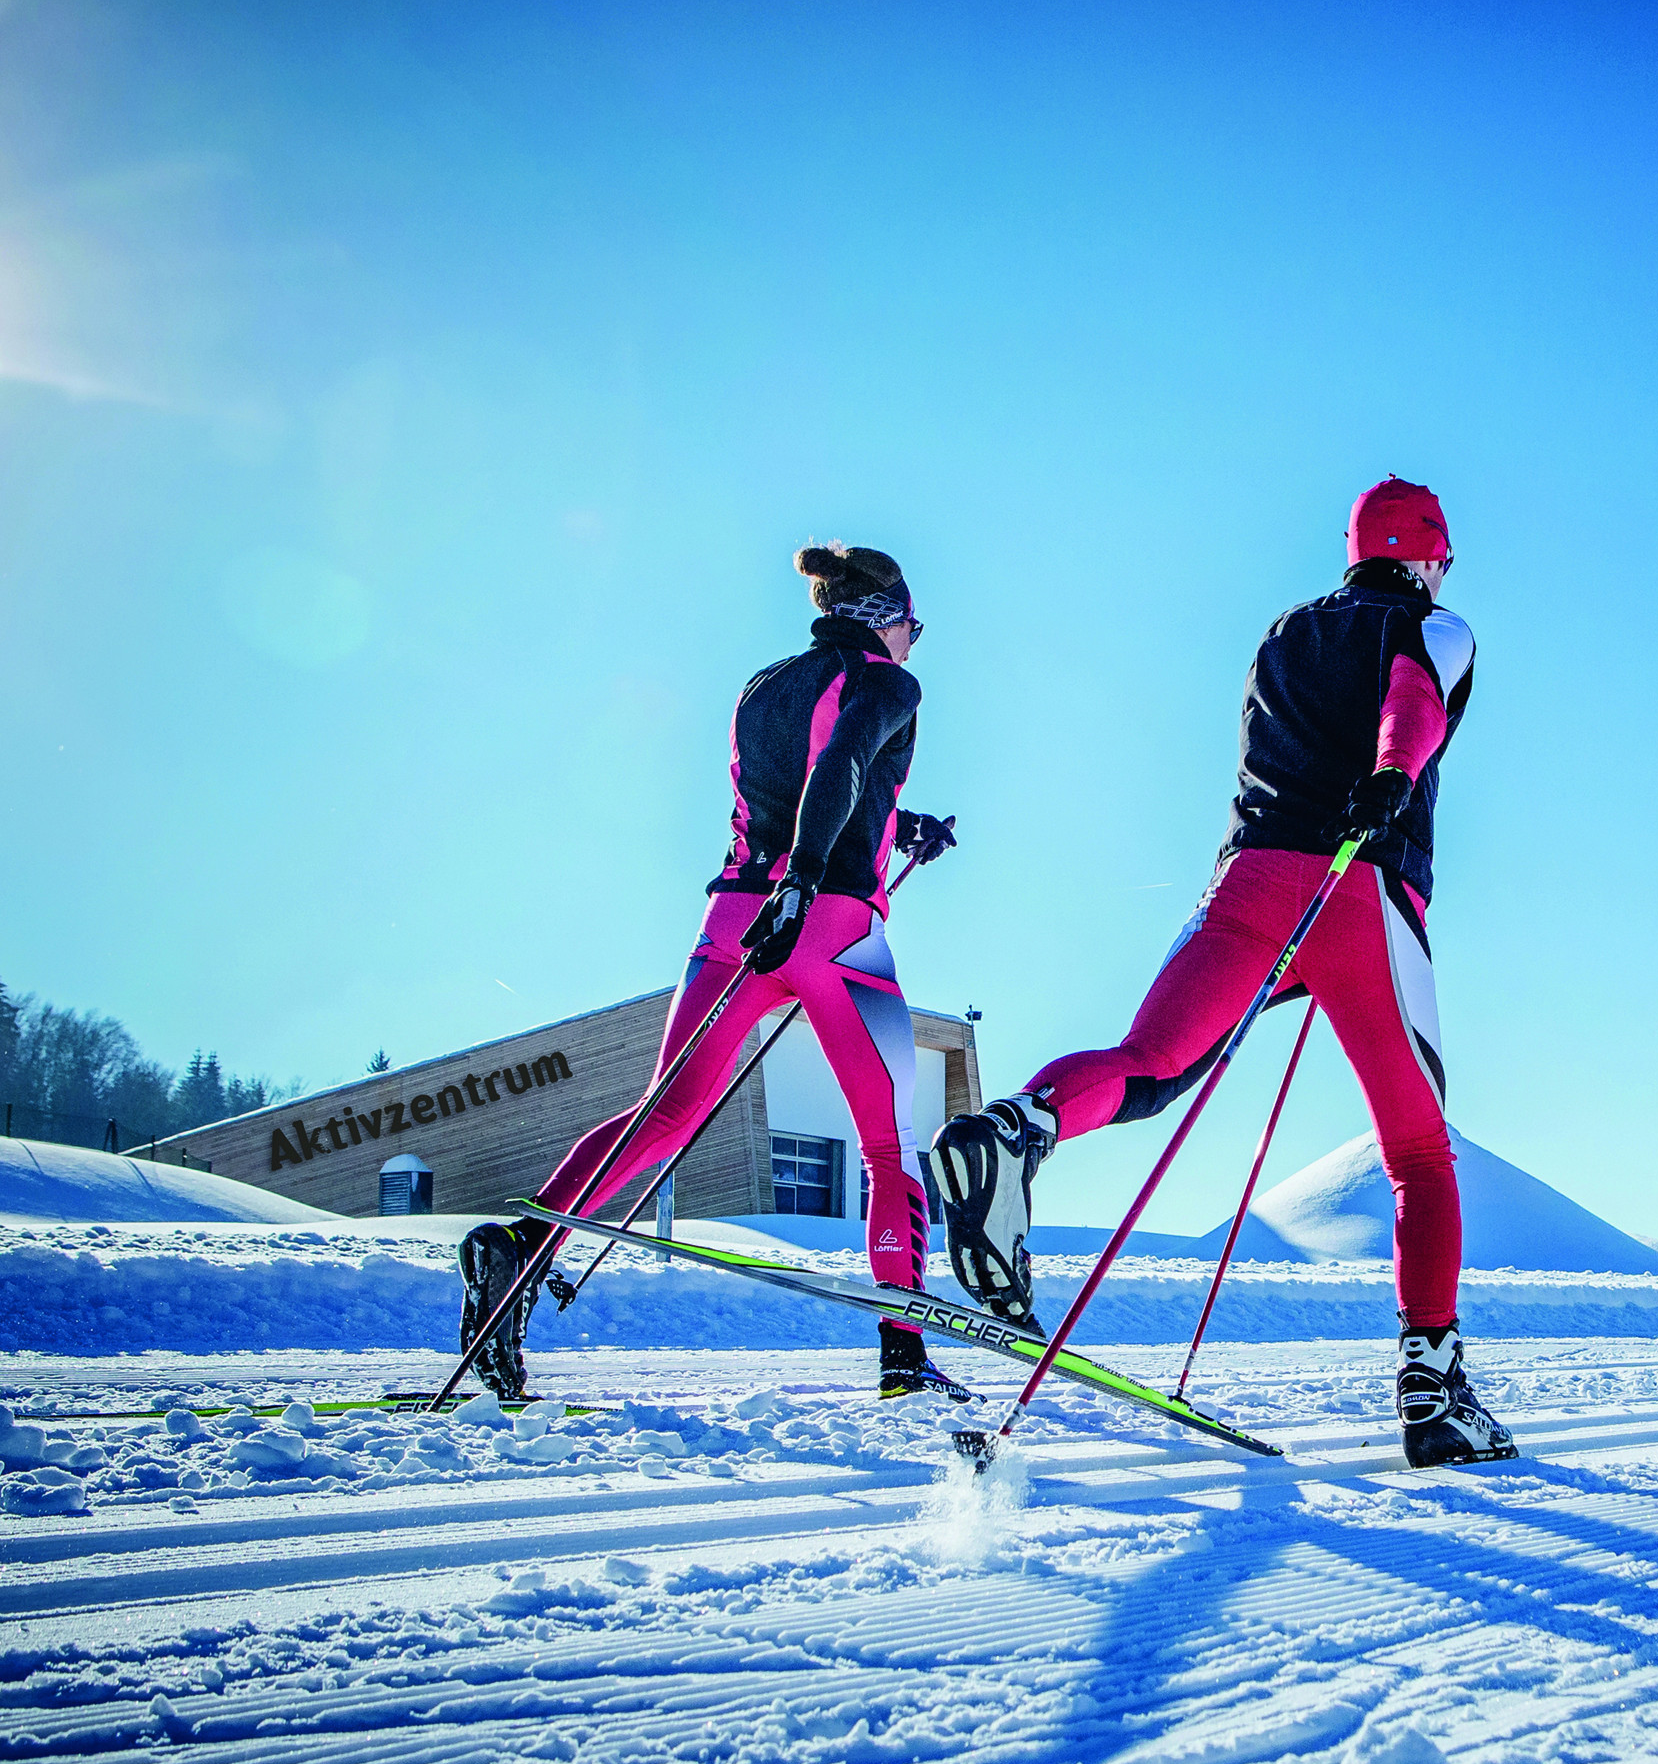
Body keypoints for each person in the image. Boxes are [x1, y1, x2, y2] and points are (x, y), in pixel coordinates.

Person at [928, 477, 1513, 1467]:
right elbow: (1412, 701)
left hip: (1247, 884)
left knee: (1150, 1064)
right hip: (1359, 890)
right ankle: (1435, 1391)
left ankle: (1014, 1132)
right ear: (1421, 555)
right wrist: (1389, 777)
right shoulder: (1435, 624)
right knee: (1418, 1151)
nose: (1445, 573)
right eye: (1443, 558)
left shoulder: (1282, 634)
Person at [458, 544, 960, 1401]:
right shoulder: (889, 683)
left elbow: (803, 784)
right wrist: (806, 880)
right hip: (829, 926)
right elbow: (839, 765)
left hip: (732, 923)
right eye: (915, 623)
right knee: (886, 1143)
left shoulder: (763, 685)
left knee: (665, 1113)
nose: (917, 639)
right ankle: (904, 1353)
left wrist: (898, 824)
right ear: (884, 620)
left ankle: (519, 1249)